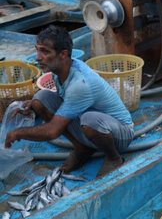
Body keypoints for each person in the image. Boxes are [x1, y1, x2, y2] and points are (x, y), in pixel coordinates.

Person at [4, 25, 134, 178]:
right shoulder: (58, 70)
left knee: (89, 120)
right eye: (37, 49)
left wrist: (18, 133)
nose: (38, 57)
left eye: (45, 51)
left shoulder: (80, 83)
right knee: (40, 99)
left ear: (63, 54)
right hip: (93, 123)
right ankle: (81, 148)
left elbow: (53, 131)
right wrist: (31, 105)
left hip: (119, 132)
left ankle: (114, 158)